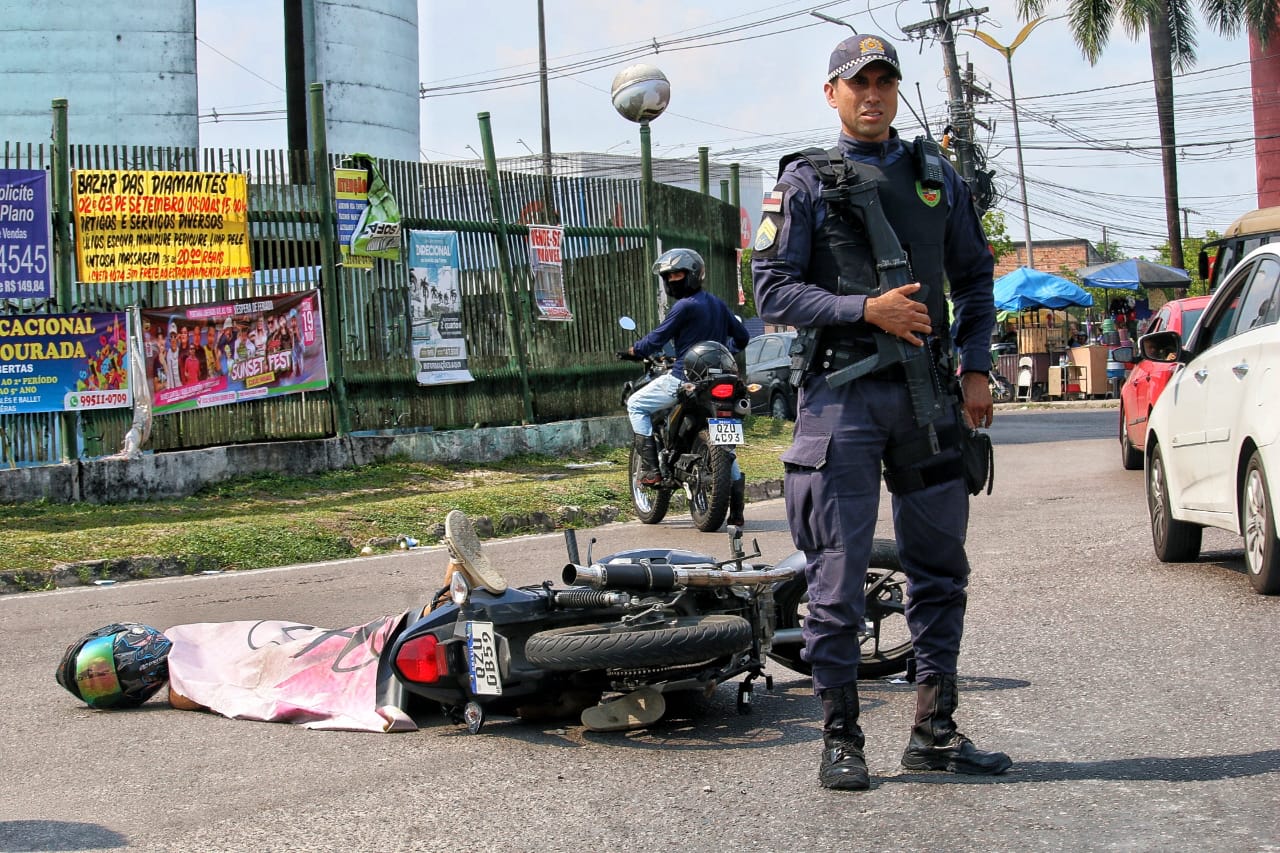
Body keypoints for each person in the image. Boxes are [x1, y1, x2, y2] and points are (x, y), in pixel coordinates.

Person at [751, 34, 1011, 790]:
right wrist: (866, 308)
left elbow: (975, 276)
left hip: (930, 401)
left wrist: (973, 367)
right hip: (842, 400)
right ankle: (841, 737)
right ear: (831, 94)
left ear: (896, 90)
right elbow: (772, 290)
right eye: (856, 82)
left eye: (884, 81)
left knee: (940, 570)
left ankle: (934, 731)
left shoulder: (936, 175)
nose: (872, 94)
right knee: (835, 579)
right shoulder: (802, 183)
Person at [625, 248, 750, 525]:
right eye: (668, 276)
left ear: (694, 275)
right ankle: (738, 513)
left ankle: (650, 470)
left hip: (685, 378)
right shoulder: (718, 304)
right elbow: (742, 337)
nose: (672, 280)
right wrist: (723, 349)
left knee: (635, 404)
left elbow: (657, 339)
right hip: (719, 382)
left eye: (678, 274)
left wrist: (635, 349)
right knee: (724, 443)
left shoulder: (684, 306)